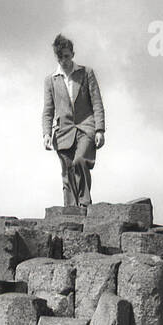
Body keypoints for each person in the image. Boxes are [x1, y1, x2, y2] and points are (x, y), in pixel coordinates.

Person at [41, 33, 105, 208]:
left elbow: (97, 102)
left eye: (67, 56)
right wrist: (46, 133)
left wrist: (99, 129)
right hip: (63, 131)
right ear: (56, 57)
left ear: (73, 54)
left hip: (86, 126)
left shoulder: (86, 73)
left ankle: (85, 203)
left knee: (80, 161)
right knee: (67, 171)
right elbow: (48, 110)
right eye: (60, 57)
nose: (64, 60)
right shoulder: (51, 80)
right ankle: (71, 210)